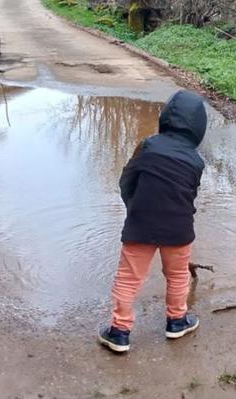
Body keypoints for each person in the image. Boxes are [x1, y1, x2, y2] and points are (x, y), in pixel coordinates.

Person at [99, 90, 208, 353]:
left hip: (141, 225)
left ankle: (119, 332)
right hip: (179, 229)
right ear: (198, 128)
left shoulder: (148, 146)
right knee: (178, 275)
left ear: (166, 118)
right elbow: (188, 196)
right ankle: (177, 321)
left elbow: (127, 180)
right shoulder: (196, 161)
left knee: (128, 278)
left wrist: (133, 206)